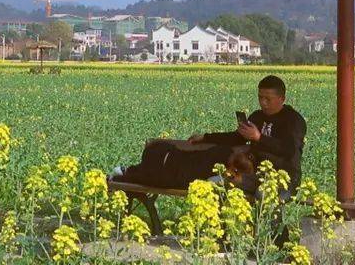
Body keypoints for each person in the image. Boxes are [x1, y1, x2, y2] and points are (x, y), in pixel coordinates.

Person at [110, 75, 306, 196]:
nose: (263, 103)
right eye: (260, 97)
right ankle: (226, 235)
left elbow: (289, 150)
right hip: (251, 174)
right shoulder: (257, 117)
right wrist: (206, 137)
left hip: (282, 178)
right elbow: (236, 138)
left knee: (265, 195)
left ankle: (275, 243)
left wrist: (258, 138)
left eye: (268, 99)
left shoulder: (293, 121)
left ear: (282, 98)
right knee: (213, 184)